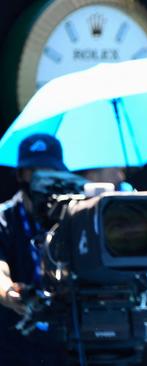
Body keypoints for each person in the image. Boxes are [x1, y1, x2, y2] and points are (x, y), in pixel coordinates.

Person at [0, 133, 69, 365]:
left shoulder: (72, 216)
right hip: (17, 345)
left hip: (68, 342)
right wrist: (10, 294)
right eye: (34, 170)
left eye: (49, 170)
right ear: (20, 174)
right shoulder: (4, 218)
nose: (42, 178)